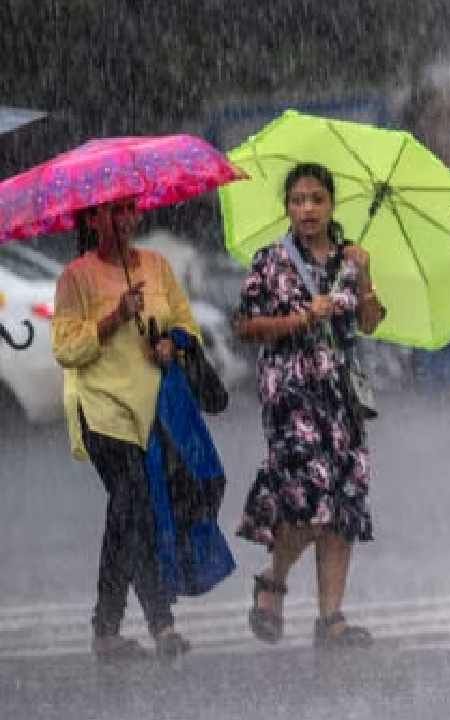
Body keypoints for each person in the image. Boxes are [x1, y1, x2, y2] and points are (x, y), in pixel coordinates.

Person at [234, 162, 386, 649]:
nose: (307, 209)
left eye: (316, 199)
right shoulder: (271, 260)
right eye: (298, 200)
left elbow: (370, 322)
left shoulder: (350, 257)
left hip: (340, 397)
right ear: (287, 208)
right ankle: (273, 580)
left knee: (342, 502)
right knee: (306, 500)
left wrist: (365, 277)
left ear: (331, 204)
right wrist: (302, 317)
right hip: (290, 395)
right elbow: (246, 326)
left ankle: (331, 617)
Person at [52, 198, 198, 661]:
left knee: (127, 517)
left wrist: (170, 345)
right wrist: (114, 317)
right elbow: (67, 350)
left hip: (149, 411)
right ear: (91, 219)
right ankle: (161, 623)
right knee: (134, 506)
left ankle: (106, 629)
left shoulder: (156, 266)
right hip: (100, 411)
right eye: (110, 212)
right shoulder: (76, 277)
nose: (122, 220)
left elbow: (185, 326)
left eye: (129, 209)